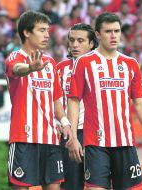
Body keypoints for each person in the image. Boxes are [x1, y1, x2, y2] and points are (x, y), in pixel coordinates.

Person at [67, 12, 142, 190]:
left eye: (117, 31)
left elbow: (139, 103)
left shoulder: (130, 64)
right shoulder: (84, 63)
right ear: (98, 34)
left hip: (125, 142)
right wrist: (72, 137)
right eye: (108, 31)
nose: (114, 35)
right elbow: (74, 101)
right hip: (96, 143)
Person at [5, 10, 72, 189]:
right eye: (41, 30)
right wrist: (30, 68)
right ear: (27, 32)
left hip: (50, 138)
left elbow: (56, 100)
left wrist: (65, 123)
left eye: (47, 30)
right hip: (23, 138)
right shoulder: (15, 57)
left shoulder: (50, 63)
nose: (46, 34)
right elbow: (17, 69)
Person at [57, 23, 98, 190]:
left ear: (91, 44)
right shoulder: (59, 69)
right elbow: (54, 101)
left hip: (97, 134)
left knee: (99, 184)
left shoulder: (101, 67)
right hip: (69, 133)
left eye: (80, 41)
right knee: (71, 185)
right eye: (72, 40)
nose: (74, 45)